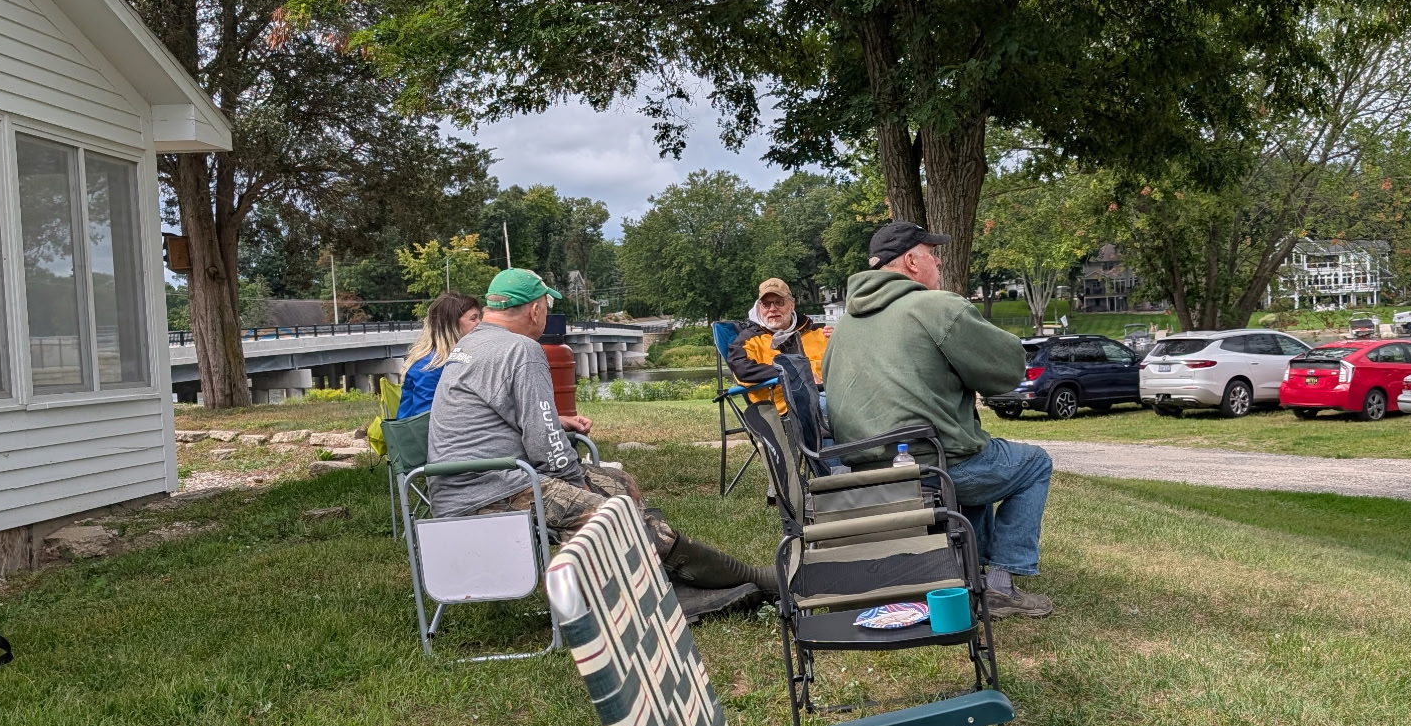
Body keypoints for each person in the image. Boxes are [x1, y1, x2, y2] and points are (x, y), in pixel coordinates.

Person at [427, 268, 778, 620]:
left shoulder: (471, 344)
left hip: (466, 484)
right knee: (612, 515)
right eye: (547, 306)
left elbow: (504, 417)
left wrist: (562, 436)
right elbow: (545, 446)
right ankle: (733, 581)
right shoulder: (522, 350)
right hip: (489, 492)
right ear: (535, 310)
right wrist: (575, 483)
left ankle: (661, 580)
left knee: (618, 482)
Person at [822, 223, 1055, 618]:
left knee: (977, 454)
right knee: (1033, 464)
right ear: (912, 261)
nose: (940, 261)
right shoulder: (935, 307)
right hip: (932, 466)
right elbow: (1006, 370)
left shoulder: (844, 327)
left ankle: (966, 571)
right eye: (933, 253)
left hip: (865, 472)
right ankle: (1001, 583)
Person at [725, 277, 829, 412]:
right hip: (784, 407)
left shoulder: (818, 333)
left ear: (792, 305)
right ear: (759, 308)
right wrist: (792, 372)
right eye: (766, 304)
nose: (772, 309)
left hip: (829, 394)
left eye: (779, 302)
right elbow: (742, 371)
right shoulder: (748, 340)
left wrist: (839, 340)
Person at [398, 293, 482, 418]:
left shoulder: (456, 357)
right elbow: (426, 417)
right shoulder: (430, 366)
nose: (480, 323)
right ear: (452, 324)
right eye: (473, 319)